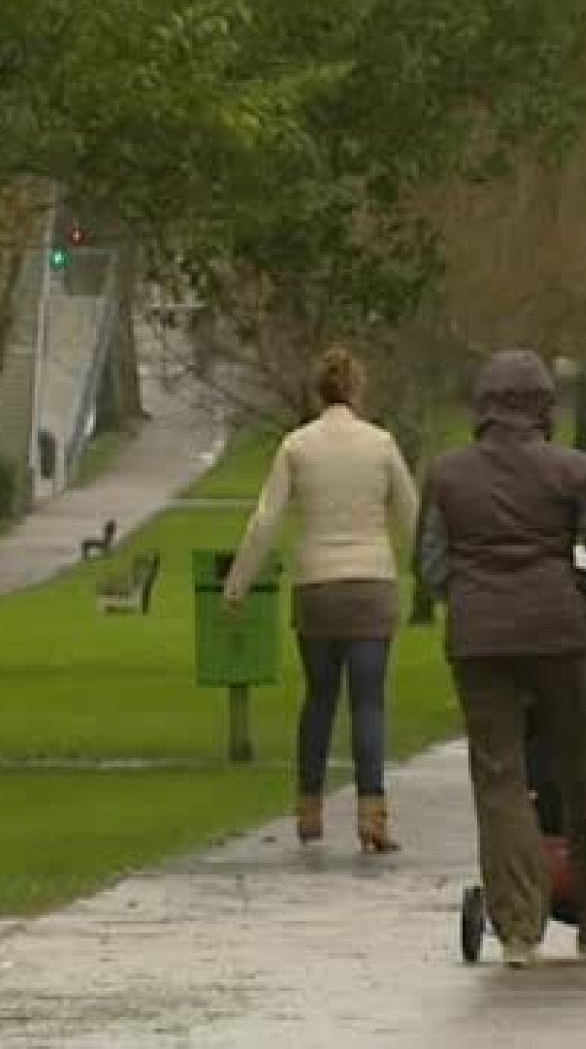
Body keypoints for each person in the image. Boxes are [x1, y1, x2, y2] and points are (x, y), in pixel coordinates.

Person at [415, 350, 586, 967]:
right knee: (581, 770)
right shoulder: (572, 471)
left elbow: (430, 565)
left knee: (499, 779)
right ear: (542, 408)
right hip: (557, 634)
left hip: (479, 642)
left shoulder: (446, 475)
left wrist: (470, 596)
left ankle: (520, 928)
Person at [221, 347, 419, 853]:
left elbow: (266, 518)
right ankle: (372, 815)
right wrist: (432, 573)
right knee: (369, 703)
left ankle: (309, 810)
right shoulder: (381, 445)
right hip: (371, 584)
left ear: (317, 390)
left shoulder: (296, 446)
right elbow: (411, 515)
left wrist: (239, 582)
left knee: (320, 699)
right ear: (356, 389)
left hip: (318, 588)